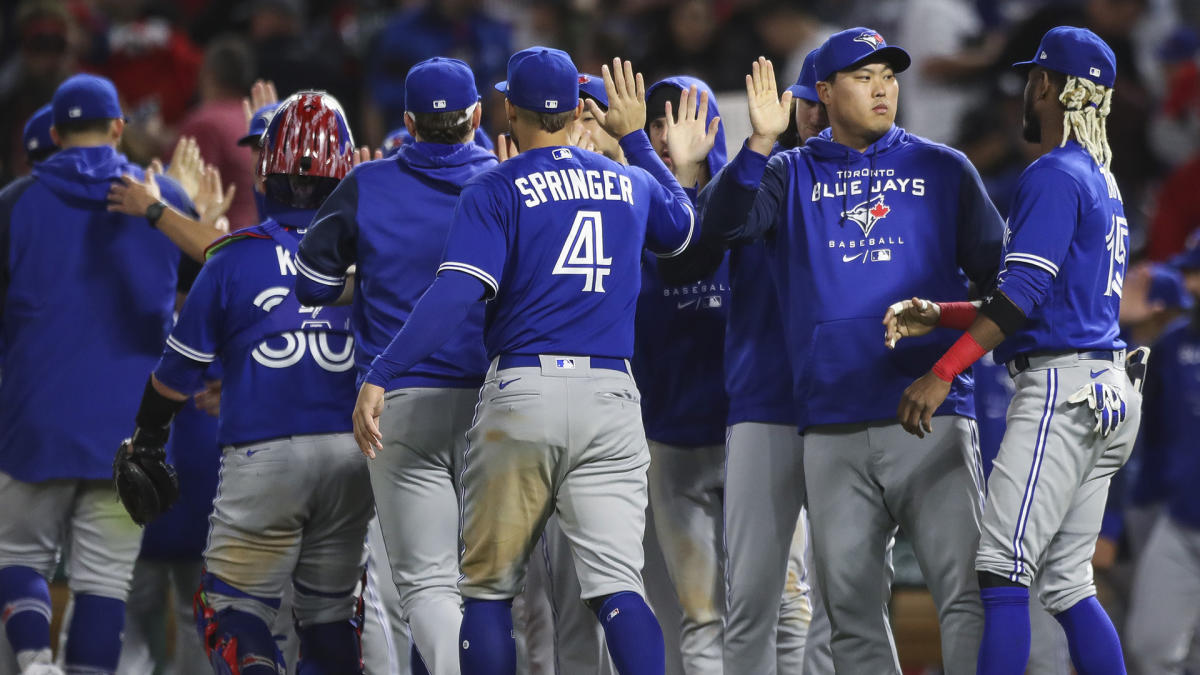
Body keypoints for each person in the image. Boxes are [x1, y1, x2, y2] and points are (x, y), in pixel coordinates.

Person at [351, 49, 696, 675]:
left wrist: (382, 370)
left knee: (486, 590)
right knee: (618, 587)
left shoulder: (496, 185)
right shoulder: (631, 181)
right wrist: (635, 140)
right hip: (612, 395)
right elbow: (681, 232)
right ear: (575, 109)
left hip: (525, 390)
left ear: (508, 111)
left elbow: (455, 292)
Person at [700, 27, 1004, 673]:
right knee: (851, 614)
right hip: (831, 421)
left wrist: (953, 368)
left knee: (964, 597)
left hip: (932, 417)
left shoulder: (944, 167)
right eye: (864, 76)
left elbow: (1006, 286)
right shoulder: (786, 172)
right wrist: (756, 143)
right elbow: (722, 227)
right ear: (827, 92)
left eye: (889, 76)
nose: (882, 88)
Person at [884, 26, 1143, 675]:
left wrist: (943, 371)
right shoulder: (1101, 182)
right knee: (1069, 583)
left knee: (1001, 568)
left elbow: (1023, 296)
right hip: (1105, 387)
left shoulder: (1054, 173)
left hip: (1062, 389)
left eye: (1033, 78)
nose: (1027, 89)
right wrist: (940, 314)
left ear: (1048, 86)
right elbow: (1041, 303)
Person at [117, 91, 373, 674]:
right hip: (353, 454)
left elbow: (174, 378)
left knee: (230, 608)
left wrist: (148, 438)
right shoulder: (376, 259)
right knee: (331, 618)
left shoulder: (232, 258)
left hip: (263, 456)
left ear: (265, 175)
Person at [295, 56, 499, 675]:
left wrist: (371, 268)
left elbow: (310, 282)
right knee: (492, 586)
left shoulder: (369, 183)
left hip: (397, 402)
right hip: (496, 399)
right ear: (479, 117)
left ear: (407, 121)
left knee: (427, 586)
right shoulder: (505, 178)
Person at [0, 73, 193, 675]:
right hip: (129, 432)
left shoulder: (13, 203)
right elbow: (203, 305)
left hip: (34, 425)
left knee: (19, 560)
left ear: (54, 134)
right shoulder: (168, 205)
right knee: (104, 581)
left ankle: (34, 663)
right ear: (118, 128)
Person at [720, 47, 826, 675]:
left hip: (843, 402)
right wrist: (756, 147)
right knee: (757, 597)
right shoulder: (764, 174)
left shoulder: (892, 181)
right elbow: (719, 229)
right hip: (765, 398)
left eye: (818, 97)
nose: (809, 111)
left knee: (835, 598)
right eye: (803, 99)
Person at [632, 75, 728, 675]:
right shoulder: (628, 217)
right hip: (667, 441)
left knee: (787, 606)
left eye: (685, 119)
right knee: (699, 616)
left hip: (754, 434)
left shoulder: (752, 208)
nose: (669, 136)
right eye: (657, 124)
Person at [1123, 242, 1200, 674]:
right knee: (1149, 647)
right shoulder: (1173, 344)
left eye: (1196, 274)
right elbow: (1131, 416)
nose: (1190, 285)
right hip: (1178, 520)